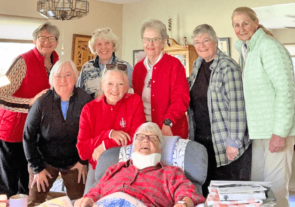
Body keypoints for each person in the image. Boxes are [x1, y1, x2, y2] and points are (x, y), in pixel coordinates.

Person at [232, 7, 295, 206]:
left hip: (277, 131)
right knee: (259, 190)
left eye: (245, 23)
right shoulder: (249, 50)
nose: (241, 28)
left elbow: (286, 91)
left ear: (256, 22)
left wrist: (279, 133)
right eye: (236, 24)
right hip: (260, 132)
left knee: (275, 191)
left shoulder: (268, 46)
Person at [74, 122, 205, 207]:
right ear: (134, 145)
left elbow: (189, 194)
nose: (145, 141)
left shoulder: (170, 173)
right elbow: (94, 193)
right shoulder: (115, 169)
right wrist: (87, 201)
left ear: (160, 148)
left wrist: (183, 203)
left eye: (152, 138)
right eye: (140, 137)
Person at [188, 24, 252, 197]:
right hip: (203, 141)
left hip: (226, 144)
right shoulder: (197, 64)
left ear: (215, 41)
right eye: (197, 42)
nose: (201, 45)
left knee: (230, 194)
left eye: (206, 40)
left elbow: (237, 106)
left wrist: (234, 141)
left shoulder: (228, 67)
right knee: (209, 192)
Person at [0, 22, 59, 197]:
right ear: (34, 41)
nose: (46, 42)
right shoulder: (22, 61)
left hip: (36, 131)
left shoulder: (56, 61)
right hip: (13, 129)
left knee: (28, 179)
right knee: (9, 182)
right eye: (42, 38)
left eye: (51, 38)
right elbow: (2, 95)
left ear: (56, 42)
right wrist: (30, 102)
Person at [23, 60, 92, 206]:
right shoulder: (42, 102)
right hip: (44, 161)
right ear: (52, 79)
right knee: (35, 202)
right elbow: (28, 137)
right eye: (58, 76)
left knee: (80, 203)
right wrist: (37, 169)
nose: (63, 80)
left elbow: (92, 132)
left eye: (68, 75)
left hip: (75, 161)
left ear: (75, 77)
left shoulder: (85, 99)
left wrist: (83, 161)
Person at [76, 63, 145, 193]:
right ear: (102, 85)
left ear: (127, 87)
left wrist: (105, 145)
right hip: (98, 167)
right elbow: (83, 151)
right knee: (88, 202)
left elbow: (137, 139)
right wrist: (107, 134)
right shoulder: (89, 109)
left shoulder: (135, 101)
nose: (115, 89)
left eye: (120, 84)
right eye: (110, 84)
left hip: (126, 167)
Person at [132, 19, 190, 138]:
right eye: (147, 39)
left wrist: (168, 121)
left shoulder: (174, 65)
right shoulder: (138, 68)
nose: (150, 44)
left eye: (155, 39)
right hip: (145, 129)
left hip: (169, 128)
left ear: (163, 42)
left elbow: (181, 99)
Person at [77, 27, 133, 99]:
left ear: (113, 46)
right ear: (94, 48)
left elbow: (135, 92)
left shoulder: (124, 67)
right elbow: (79, 94)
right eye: (99, 44)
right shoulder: (86, 68)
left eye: (107, 43)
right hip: (92, 109)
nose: (103, 47)